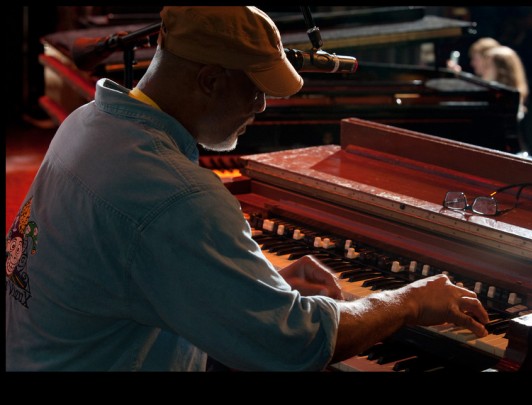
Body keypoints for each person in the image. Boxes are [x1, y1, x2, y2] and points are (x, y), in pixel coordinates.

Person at [5, 6, 490, 372]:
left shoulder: (88, 122)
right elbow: (293, 345)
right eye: (254, 87)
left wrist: (242, 282)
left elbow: (133, 257)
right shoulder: (177, 196)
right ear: (210, 79)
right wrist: (406, 301)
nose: (261, 106)